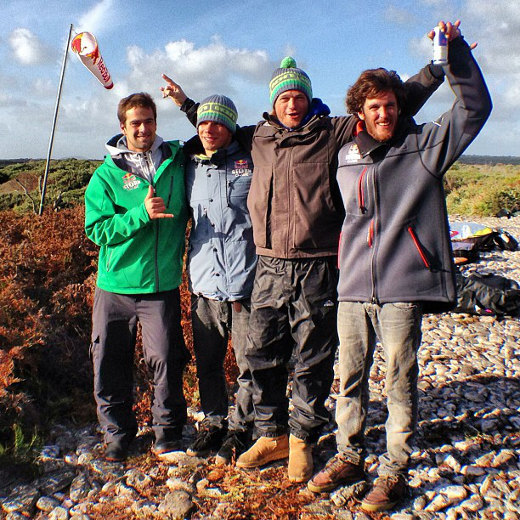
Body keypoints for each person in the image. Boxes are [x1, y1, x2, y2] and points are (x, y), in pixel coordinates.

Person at [162, 58, 443, 482]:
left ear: (308, 99)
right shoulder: (258, 137)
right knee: (260, 353)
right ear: (273, 103)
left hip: (318, 265)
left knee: (312, 357)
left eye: (298, 97)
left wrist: (435, 70)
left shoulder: (333, 131)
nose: (291, 105)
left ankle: (302, 442)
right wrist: (186, 103)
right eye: (283, 98)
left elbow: (389, 105)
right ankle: (271, 433)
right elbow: (213, 126)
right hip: (269, 264)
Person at [307, 21, 491, 511]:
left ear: (399, 106)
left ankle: (395, 469)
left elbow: (475, 109)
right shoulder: (344, 156)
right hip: (352, 289)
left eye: (390, 104)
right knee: (348, 378)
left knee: (399, 381)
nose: (384, 113)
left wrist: (452, 59)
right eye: (374, 108)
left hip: (402, 285)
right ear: (360, 115)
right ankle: (349, 454)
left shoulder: (426, 146)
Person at [85, 92, 190, 462]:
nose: (142, 128)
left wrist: (188, 102)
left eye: (148, 120)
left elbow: (219, 133)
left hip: (161, 285)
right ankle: (117, 434)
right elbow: (96, 230)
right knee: (109, 360)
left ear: (156, 122)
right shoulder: (106, 175)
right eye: (135, 123)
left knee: (165, 358)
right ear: (122, 127)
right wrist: (140, 215)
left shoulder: (178, 162)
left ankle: (167, 432)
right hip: (114, 286)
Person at [176, 92, 257, 464]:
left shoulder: (253, 158)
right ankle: (214, 421)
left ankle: (242, 428)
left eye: (219, 122)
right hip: (204, 283)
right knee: (207, 363)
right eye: (204, 122)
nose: (210, 129)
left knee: (248, 363)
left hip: (246, 282)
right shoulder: (186, 164)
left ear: (232, 126)